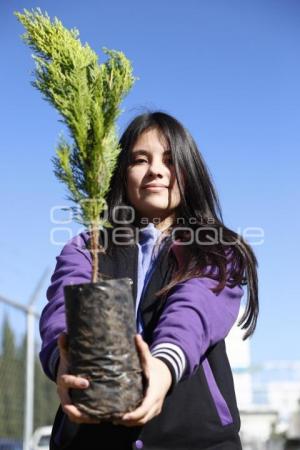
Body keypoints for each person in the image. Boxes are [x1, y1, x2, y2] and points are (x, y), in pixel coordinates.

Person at [40, 111, 259, 450]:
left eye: (170, 161)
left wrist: (161, 370)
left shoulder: (216, 250)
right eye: (139, 160)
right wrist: (64, 358)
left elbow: (193, 312)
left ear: (190, 173)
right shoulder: (87, 248)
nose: (156, 170)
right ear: (121, 174)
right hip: (90, 437)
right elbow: (62, 310)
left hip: (194, 440)